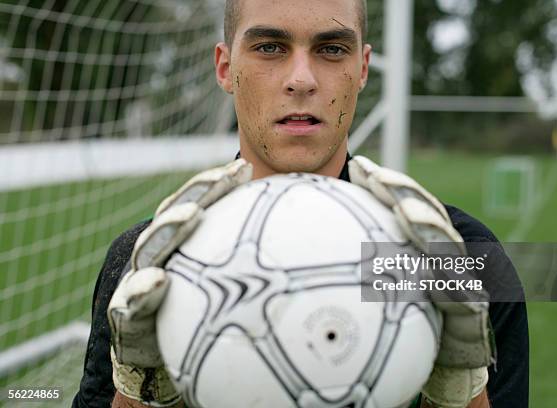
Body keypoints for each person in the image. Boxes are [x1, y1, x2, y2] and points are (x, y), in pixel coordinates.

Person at [72, 0, 528, 407]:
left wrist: (460, 394)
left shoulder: (461, 255)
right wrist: (138, 395)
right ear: (225, 67)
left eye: (331, 49)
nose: (301, 80)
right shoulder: (149, 259)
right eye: (270, 47)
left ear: (363, 68)